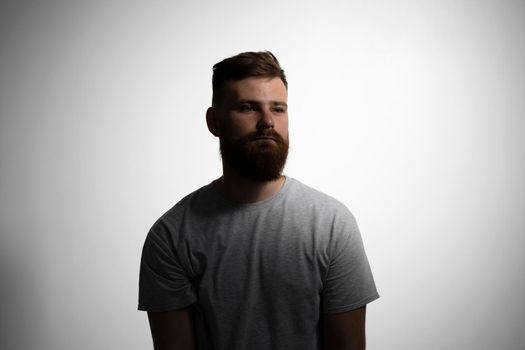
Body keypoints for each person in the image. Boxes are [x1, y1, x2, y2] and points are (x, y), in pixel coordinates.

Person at [138, 51, 379, 350]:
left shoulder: (332, 225)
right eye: (248, 108)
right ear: (214, 122)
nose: (267, 121)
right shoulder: (172, 236)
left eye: (278, 109)